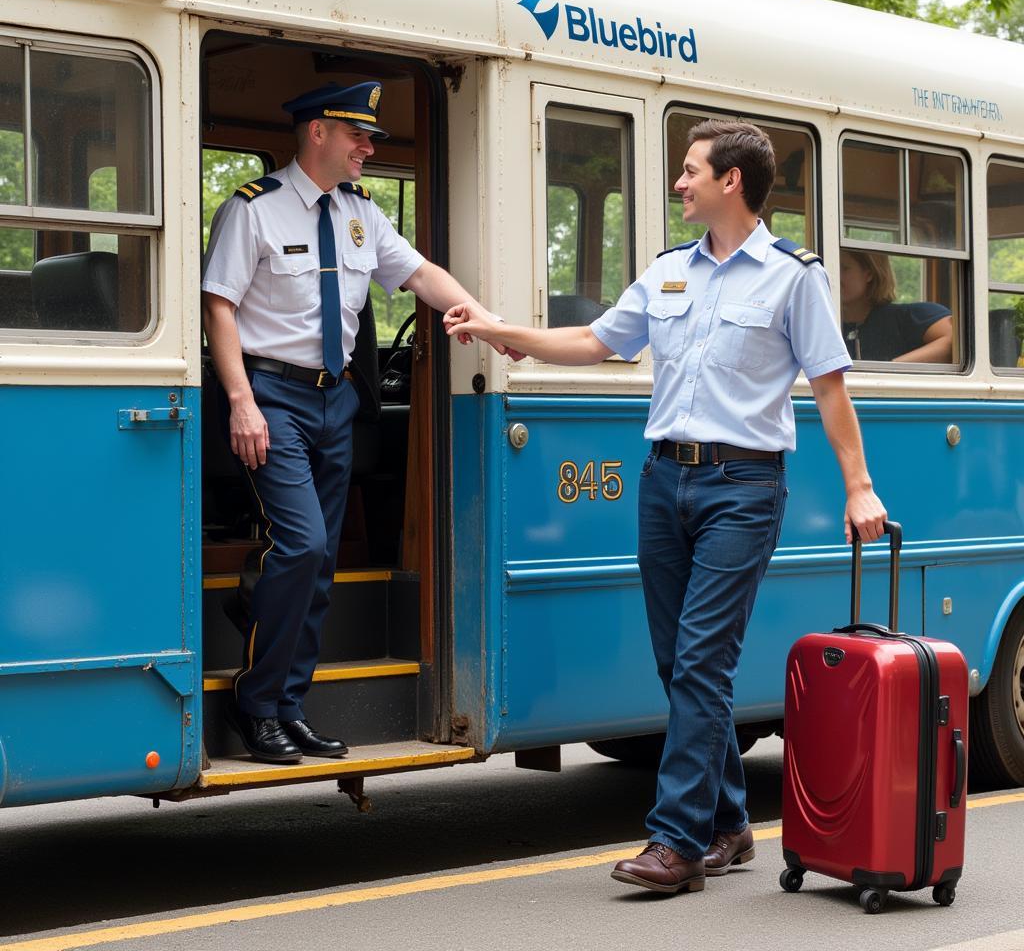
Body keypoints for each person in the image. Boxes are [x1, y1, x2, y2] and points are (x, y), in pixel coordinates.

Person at [444, 120, 887, 894]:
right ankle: (728, 824)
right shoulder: (668, 271)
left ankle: (676, 842)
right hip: (664, 482)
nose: (679, 184)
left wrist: (858, 485)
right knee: (675, 662)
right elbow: (597, 340)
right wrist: (501, 332)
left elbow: (829, 384)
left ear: (732, 183)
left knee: (703, 660)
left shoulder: (792, 276)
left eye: (690, 171)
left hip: (743, 488)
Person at [202, 81, 510, 765]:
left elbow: (422, 275)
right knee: (304, 544)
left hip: (333, 400)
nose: (370, 147)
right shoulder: (254, 210)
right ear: (318, 133)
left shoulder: (360, 213)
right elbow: (218, 307)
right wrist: (241, 400)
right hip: (272, 396)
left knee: (319, 565)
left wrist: (486, 322)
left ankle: (289, 705)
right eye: (358, 136)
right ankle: (257, 706)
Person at [839, 249, 953, 363]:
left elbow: (954, 339)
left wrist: (889, 370)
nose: (833, 274)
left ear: (869, 274)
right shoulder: (827, 326)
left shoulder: (908, 317)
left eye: (843, 268)